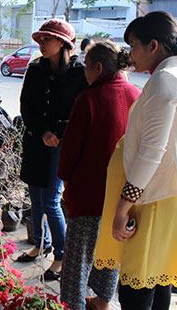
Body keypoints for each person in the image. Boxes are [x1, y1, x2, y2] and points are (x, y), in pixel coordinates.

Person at [93, 11, 177, 310]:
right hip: (173, 197)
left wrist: (123, 207)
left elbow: (151, 152)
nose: (131, 55)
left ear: (153, 45)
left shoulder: (165, 81)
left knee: (137, 291)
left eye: (133, 46)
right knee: (157, 286)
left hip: (158, 199)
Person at [58, 41, 140, 310]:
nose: (84, 73)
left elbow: (70, 150)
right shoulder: (136, 95)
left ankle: (74, 304)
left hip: (89, 193)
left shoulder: (89, 99)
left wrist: (65, 178)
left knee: (77, 259)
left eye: (86, 67)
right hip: (122, 197)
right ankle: (103, 302)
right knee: (110, 252)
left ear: (98, 67)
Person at [16, 19, 89, 281]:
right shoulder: (35, 69)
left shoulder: (80, 73)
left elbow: (83, 112)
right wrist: (43, 130)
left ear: (63, 42)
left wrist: (59, 134)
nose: (41, 44)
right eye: (40, 40)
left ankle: (61, 255)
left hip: (63, 143)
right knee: (34, 194)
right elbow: (26, 106)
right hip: (37, 138)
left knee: (51, 199)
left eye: (47, 39)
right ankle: (39, 244)